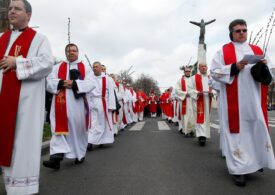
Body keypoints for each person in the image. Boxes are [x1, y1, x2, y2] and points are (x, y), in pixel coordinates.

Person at [210, 19, 275, 186]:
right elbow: (214, 74)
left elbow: (270, 76)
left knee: (256, 128)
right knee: (237, 134)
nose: (241, 33)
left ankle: (255, 162)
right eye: (238, 30)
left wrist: (265, 66)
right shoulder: (222, 52)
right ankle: (239, 170)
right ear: (231, 33)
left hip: (254, 100)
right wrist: (233, 67)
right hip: (235, 102)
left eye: (244, 30)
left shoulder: (257, 50)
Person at [0, 0, 54, 194]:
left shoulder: (39, 39)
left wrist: (18, 63)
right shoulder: (1, 38)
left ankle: (23, 189)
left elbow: (47, 63)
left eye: (17, 8)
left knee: (21, 146)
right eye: (10, 8)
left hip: (26, 105)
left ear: (29, 15)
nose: (12, 11)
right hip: (3, 103)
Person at [43, 43, 94, 170]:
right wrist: (61, 82)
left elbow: (91, 84)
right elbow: (48, 82)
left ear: (78, 52)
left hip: (78, 104)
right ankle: (55, 158)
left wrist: (75, 83)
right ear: (65, 53)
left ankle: (80, 154)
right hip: (59, 103)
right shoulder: (57, 67)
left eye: (74, 50)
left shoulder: (86, 68)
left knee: (78, 130)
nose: (71, 52)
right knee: (57, 129)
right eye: (68, 50)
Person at [87, 61, 116, 151]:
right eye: (93, 67)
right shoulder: (89, 78)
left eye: (96, 67)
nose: (95, 68)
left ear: (100, 68)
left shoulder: (108, 79)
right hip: (92, 102)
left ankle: (102, 140)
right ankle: (90, 141)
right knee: (93, 123)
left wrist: (111, 106)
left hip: (104, 103)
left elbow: (111, 93)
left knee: (103, 123)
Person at [188, 63, 212, 146]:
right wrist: (197, 93)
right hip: (198, 100)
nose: (204, 68)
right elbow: (189, 89)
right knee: (200, 118)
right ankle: (201, 136)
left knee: (206, 118)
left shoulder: (210, 78)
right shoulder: (193, 78)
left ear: (207, 67)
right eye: (202, 66)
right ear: (199, 68)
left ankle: (204, 134)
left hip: (208, 100)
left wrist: (212, 93)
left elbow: (215, 87)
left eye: (205, 66)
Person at [175, 66, 195, 136]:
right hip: (184, 99)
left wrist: (193, 94)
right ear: (184, 72)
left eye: (189, 71)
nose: (188, 72)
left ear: (190, 72)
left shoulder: (193, 79)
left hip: (192, 100)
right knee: (185, 116)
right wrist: (185, 94)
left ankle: (192, 130)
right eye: (186, 71)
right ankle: (186, 131)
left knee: (192, 116)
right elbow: (177, 90)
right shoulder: (180, 80)